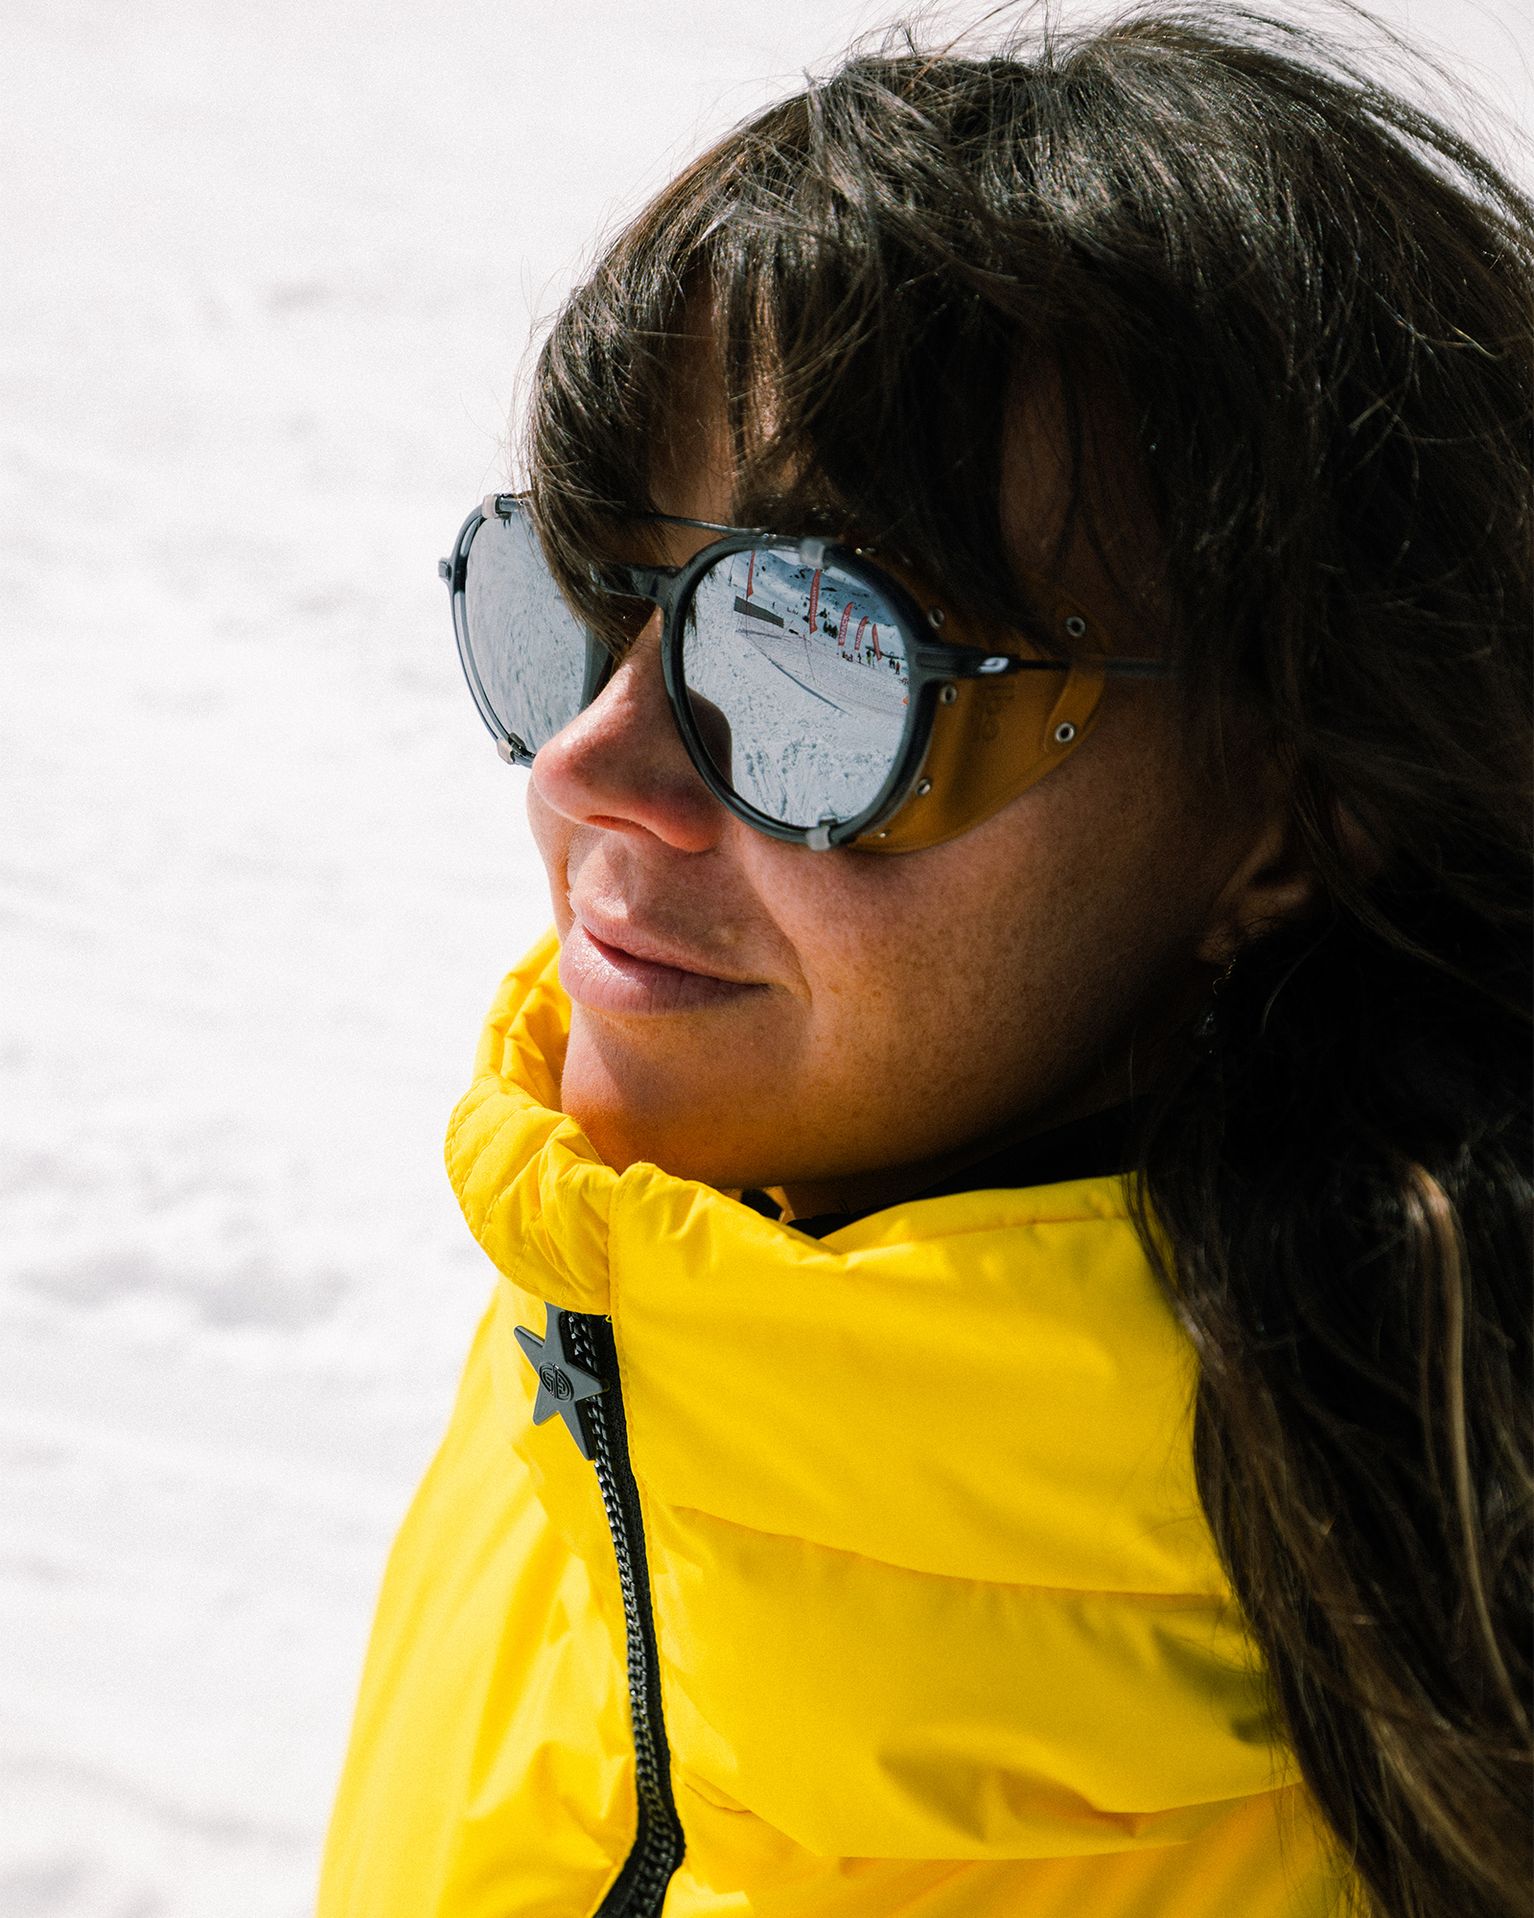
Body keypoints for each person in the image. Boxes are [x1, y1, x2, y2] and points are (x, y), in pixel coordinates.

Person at [317, 7, 1531, 1915]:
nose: (590, 768)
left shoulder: (1425, 1734)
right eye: (583, 589)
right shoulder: (616, 1323)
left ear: (1288, 817)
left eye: (819, 654)